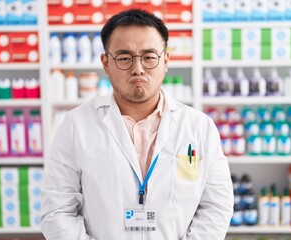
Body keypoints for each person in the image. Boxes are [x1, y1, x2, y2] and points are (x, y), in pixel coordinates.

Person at [40, 9, 233, 240]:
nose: (138, 68)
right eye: (124, 58)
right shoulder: (76, 125)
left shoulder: (199, 127)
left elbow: (217, 205)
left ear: (166, 60)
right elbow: (57, 211)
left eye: (149, 57)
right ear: (105, 63)